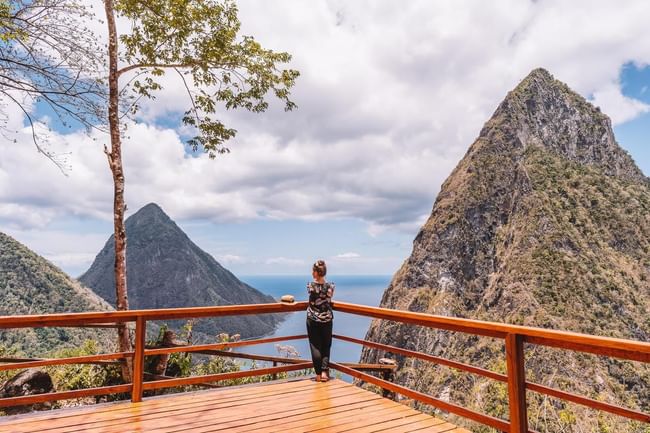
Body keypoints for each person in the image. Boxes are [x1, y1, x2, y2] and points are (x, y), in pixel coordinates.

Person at [306, 259, 335, 382]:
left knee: (315, 346)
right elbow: (328, 297)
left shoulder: (310, 286)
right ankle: (324, 373)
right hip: (327, 319)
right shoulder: (330, 287)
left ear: (317, 272)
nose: (312, 273)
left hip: (313, 318)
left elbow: (313, 293)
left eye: (313, 271)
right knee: (326, 345)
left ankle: (317, 375)